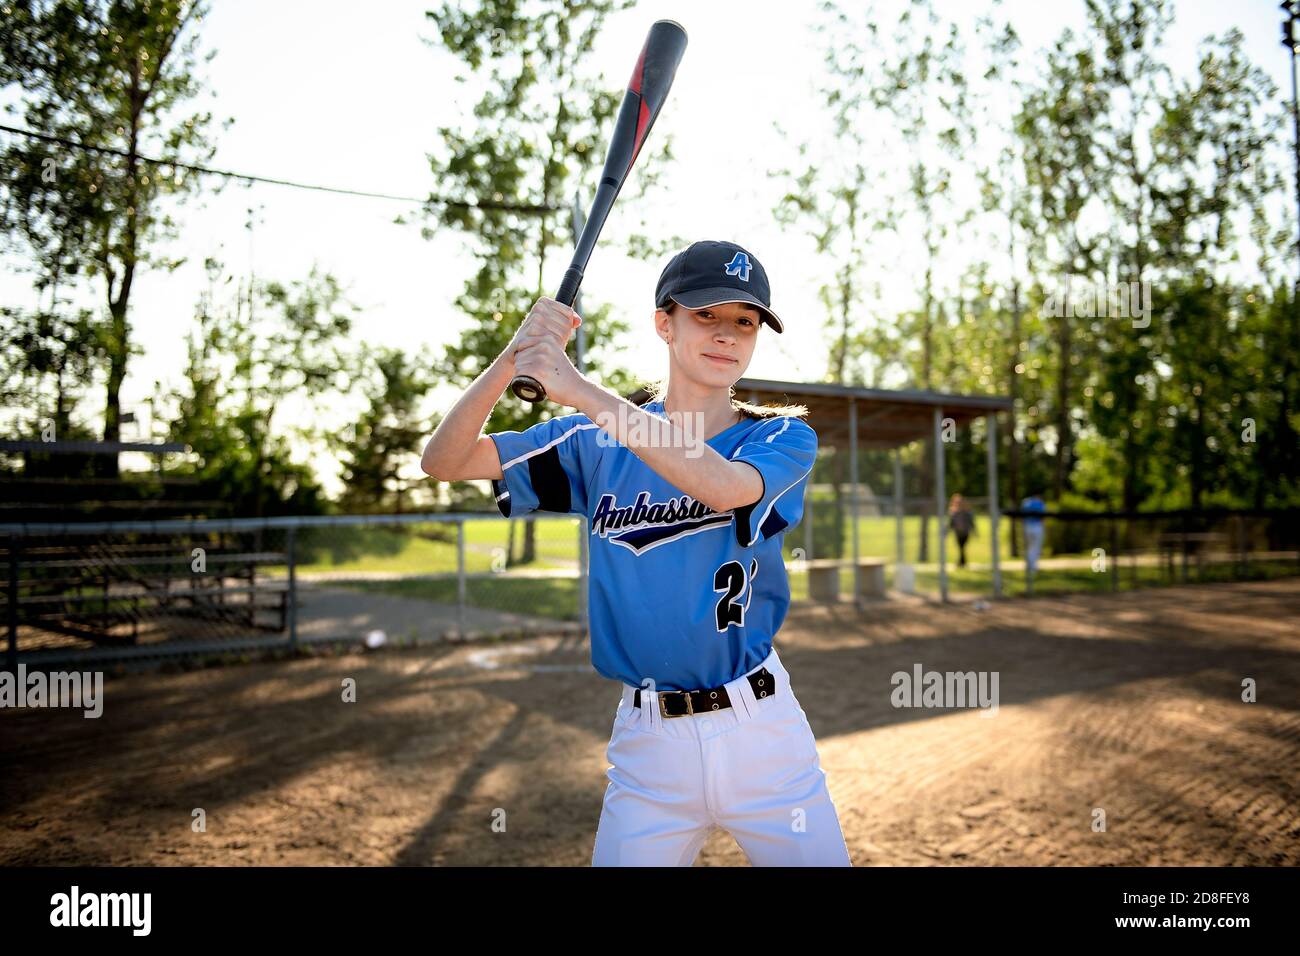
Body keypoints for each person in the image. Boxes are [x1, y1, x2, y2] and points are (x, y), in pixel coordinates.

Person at [421, 239, 851, 866]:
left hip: (761, 735)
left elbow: (724, 486)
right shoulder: (590, 442)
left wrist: (582, 391)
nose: (726, 333)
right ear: (663, 323)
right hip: (649, 748)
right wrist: (515, 355)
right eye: (706, 314)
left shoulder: (780, 435)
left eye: (745, 321)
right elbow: (445, 461)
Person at [1021, 492, 1046, 591]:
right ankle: (1033, 566)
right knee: (1035, 548)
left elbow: (1023, 517)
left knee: (1030, 548)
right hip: (1037, 527)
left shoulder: (1025, 502)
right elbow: (1043, 517)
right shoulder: (1040, 503)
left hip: (1027, 528)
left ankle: (1030, 565)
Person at [947, 493, 975, 568]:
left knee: (962, 547)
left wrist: (974, 531)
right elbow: (951, 523)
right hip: (958, 533)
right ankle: (962, 562)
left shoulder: (967, 512)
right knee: (961, 547)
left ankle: (961, 562)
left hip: (965, 532)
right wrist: (948, 530)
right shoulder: (953, 512)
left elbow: (971, 522)